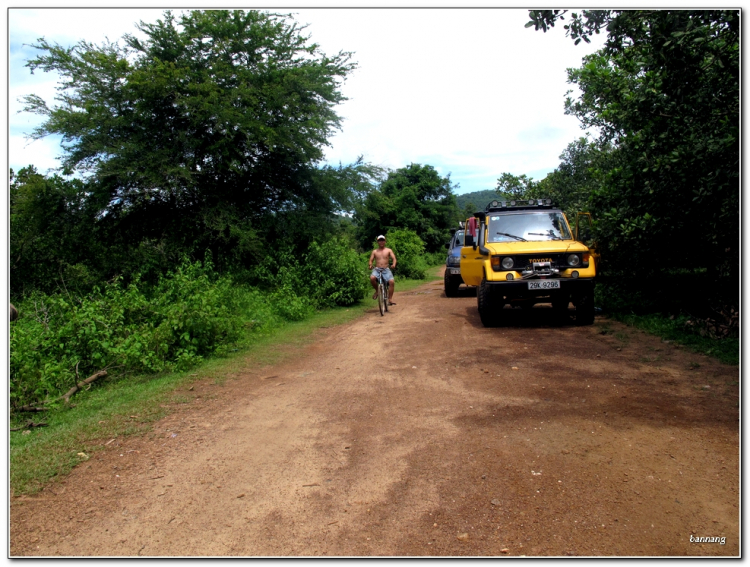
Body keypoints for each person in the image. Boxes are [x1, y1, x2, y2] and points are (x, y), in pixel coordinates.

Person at [368, 235, 397, 305]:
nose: (381, 242)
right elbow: (371, 260)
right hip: (377, 269)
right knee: (372, 278)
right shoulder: (374, 251)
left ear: (385, 241)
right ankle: (377, 291)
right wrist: (370, 265)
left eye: (382, 240)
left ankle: (390, 299)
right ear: (377, 242)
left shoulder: (388, 250)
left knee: (391, 282)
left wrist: (394, 264)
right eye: (380, 240)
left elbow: (394, 258)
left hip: (386, 269)